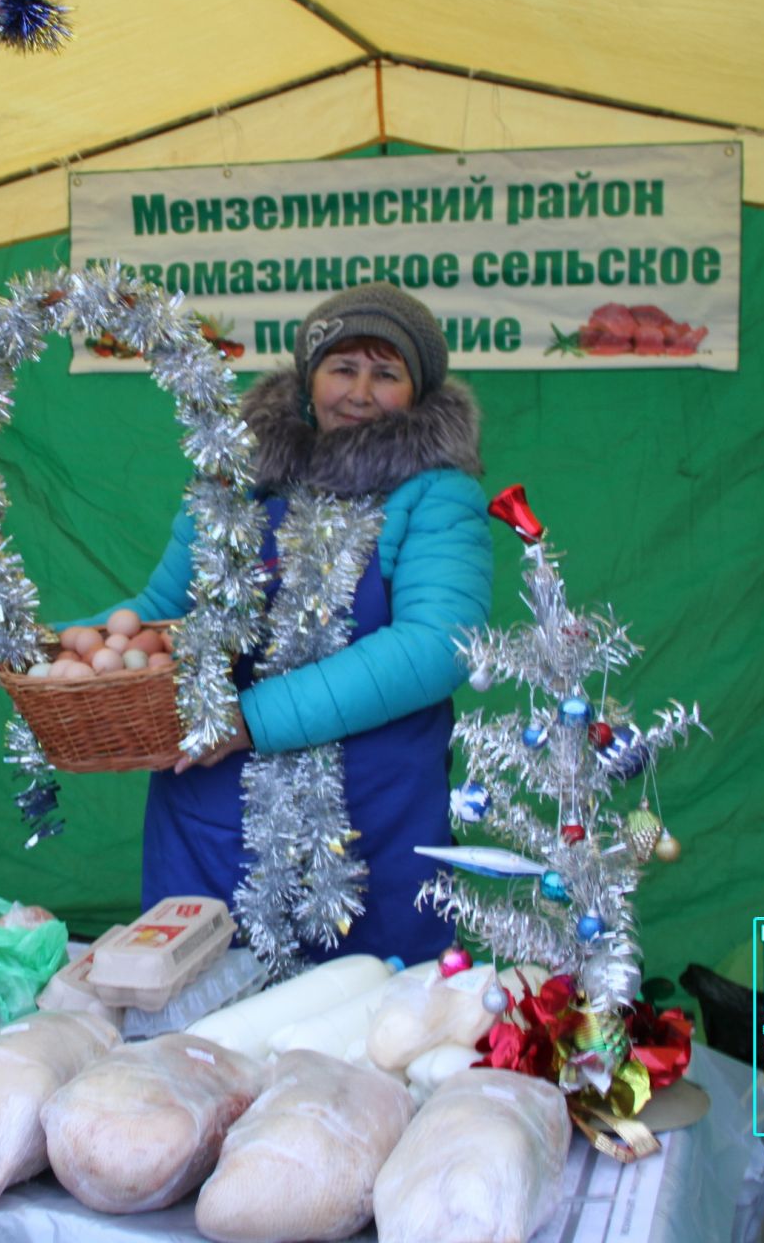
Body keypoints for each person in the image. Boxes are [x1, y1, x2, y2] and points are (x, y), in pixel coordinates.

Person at [90, 282, 493, 964]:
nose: (360, 392)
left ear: (417, 392)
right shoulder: (239, 484)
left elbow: (436, 646)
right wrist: (71, 643)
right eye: (342, 367)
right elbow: (167, 610)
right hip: (212, 817)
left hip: (372, 824)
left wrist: (251, 719)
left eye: (386, 373)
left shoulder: (439, 496)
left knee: (368, 1035)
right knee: (199, 1027)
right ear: (308, 380)